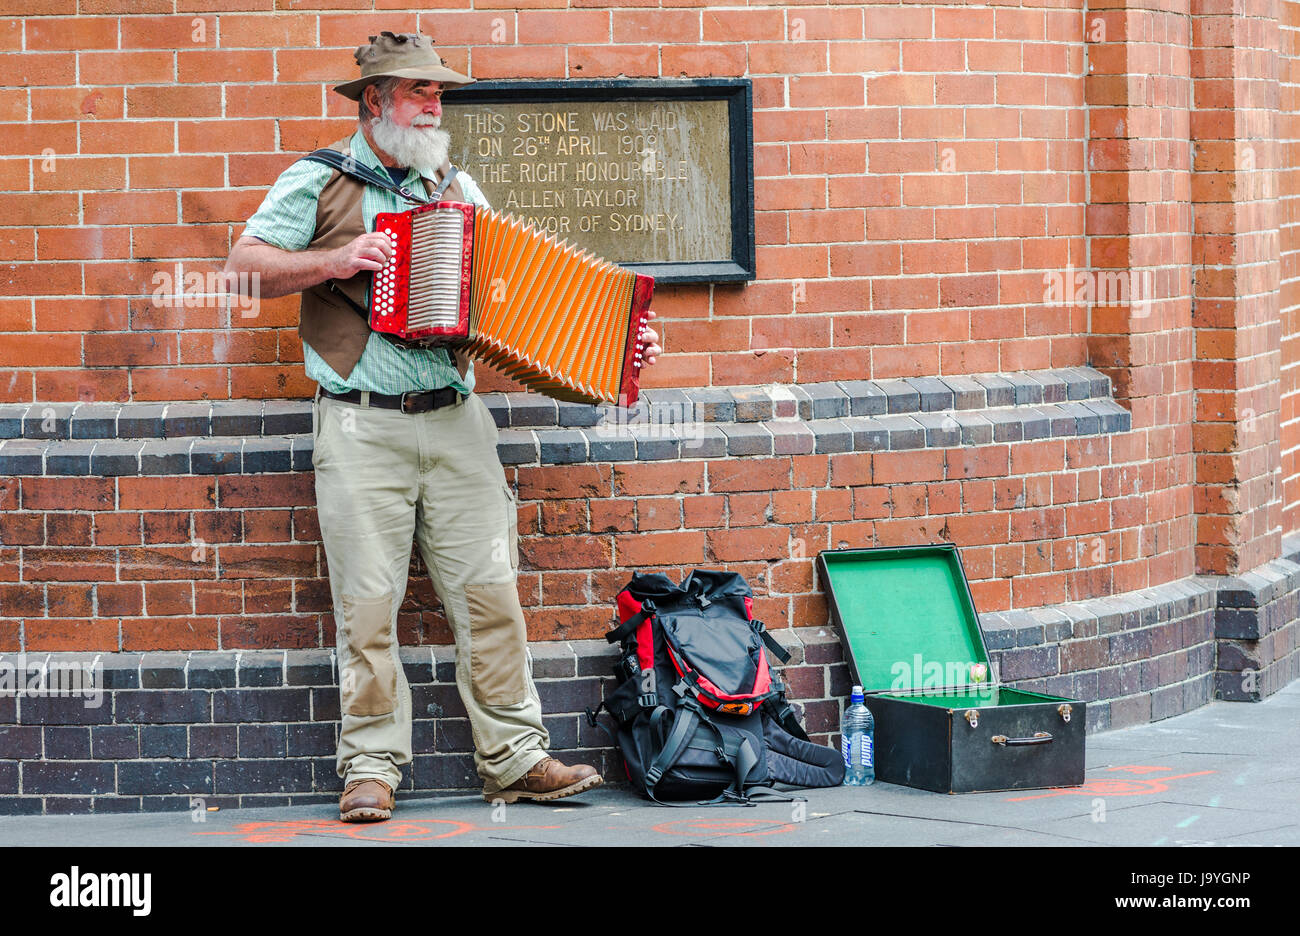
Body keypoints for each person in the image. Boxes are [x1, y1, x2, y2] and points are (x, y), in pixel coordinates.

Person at [224, 31, 661, 822]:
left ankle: (516, 757)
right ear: (373, 101)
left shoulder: (458, 190)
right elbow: (241, 268)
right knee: (368, 603)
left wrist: (616, 342)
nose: (434, 106)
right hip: (360, 428)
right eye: (421, 92)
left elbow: (525, 300)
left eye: (439, 94)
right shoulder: (319, 181)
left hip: (457, 422)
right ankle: (371, 766)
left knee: (489, 593)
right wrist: (333, 260)